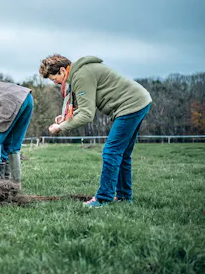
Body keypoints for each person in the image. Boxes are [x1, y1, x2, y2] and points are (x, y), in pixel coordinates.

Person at [39, 54, 152, 207]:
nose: (56, 83)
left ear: (62, 71)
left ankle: (103, 198)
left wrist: (61, 127)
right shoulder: (80, 72)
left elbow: (87, 115)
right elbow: (86, 108)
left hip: (130, 105)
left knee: (111, 151)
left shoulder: (81, 76)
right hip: (139, 101)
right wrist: (65, 119)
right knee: (122, 153)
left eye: (54, 79)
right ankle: (124, 197)